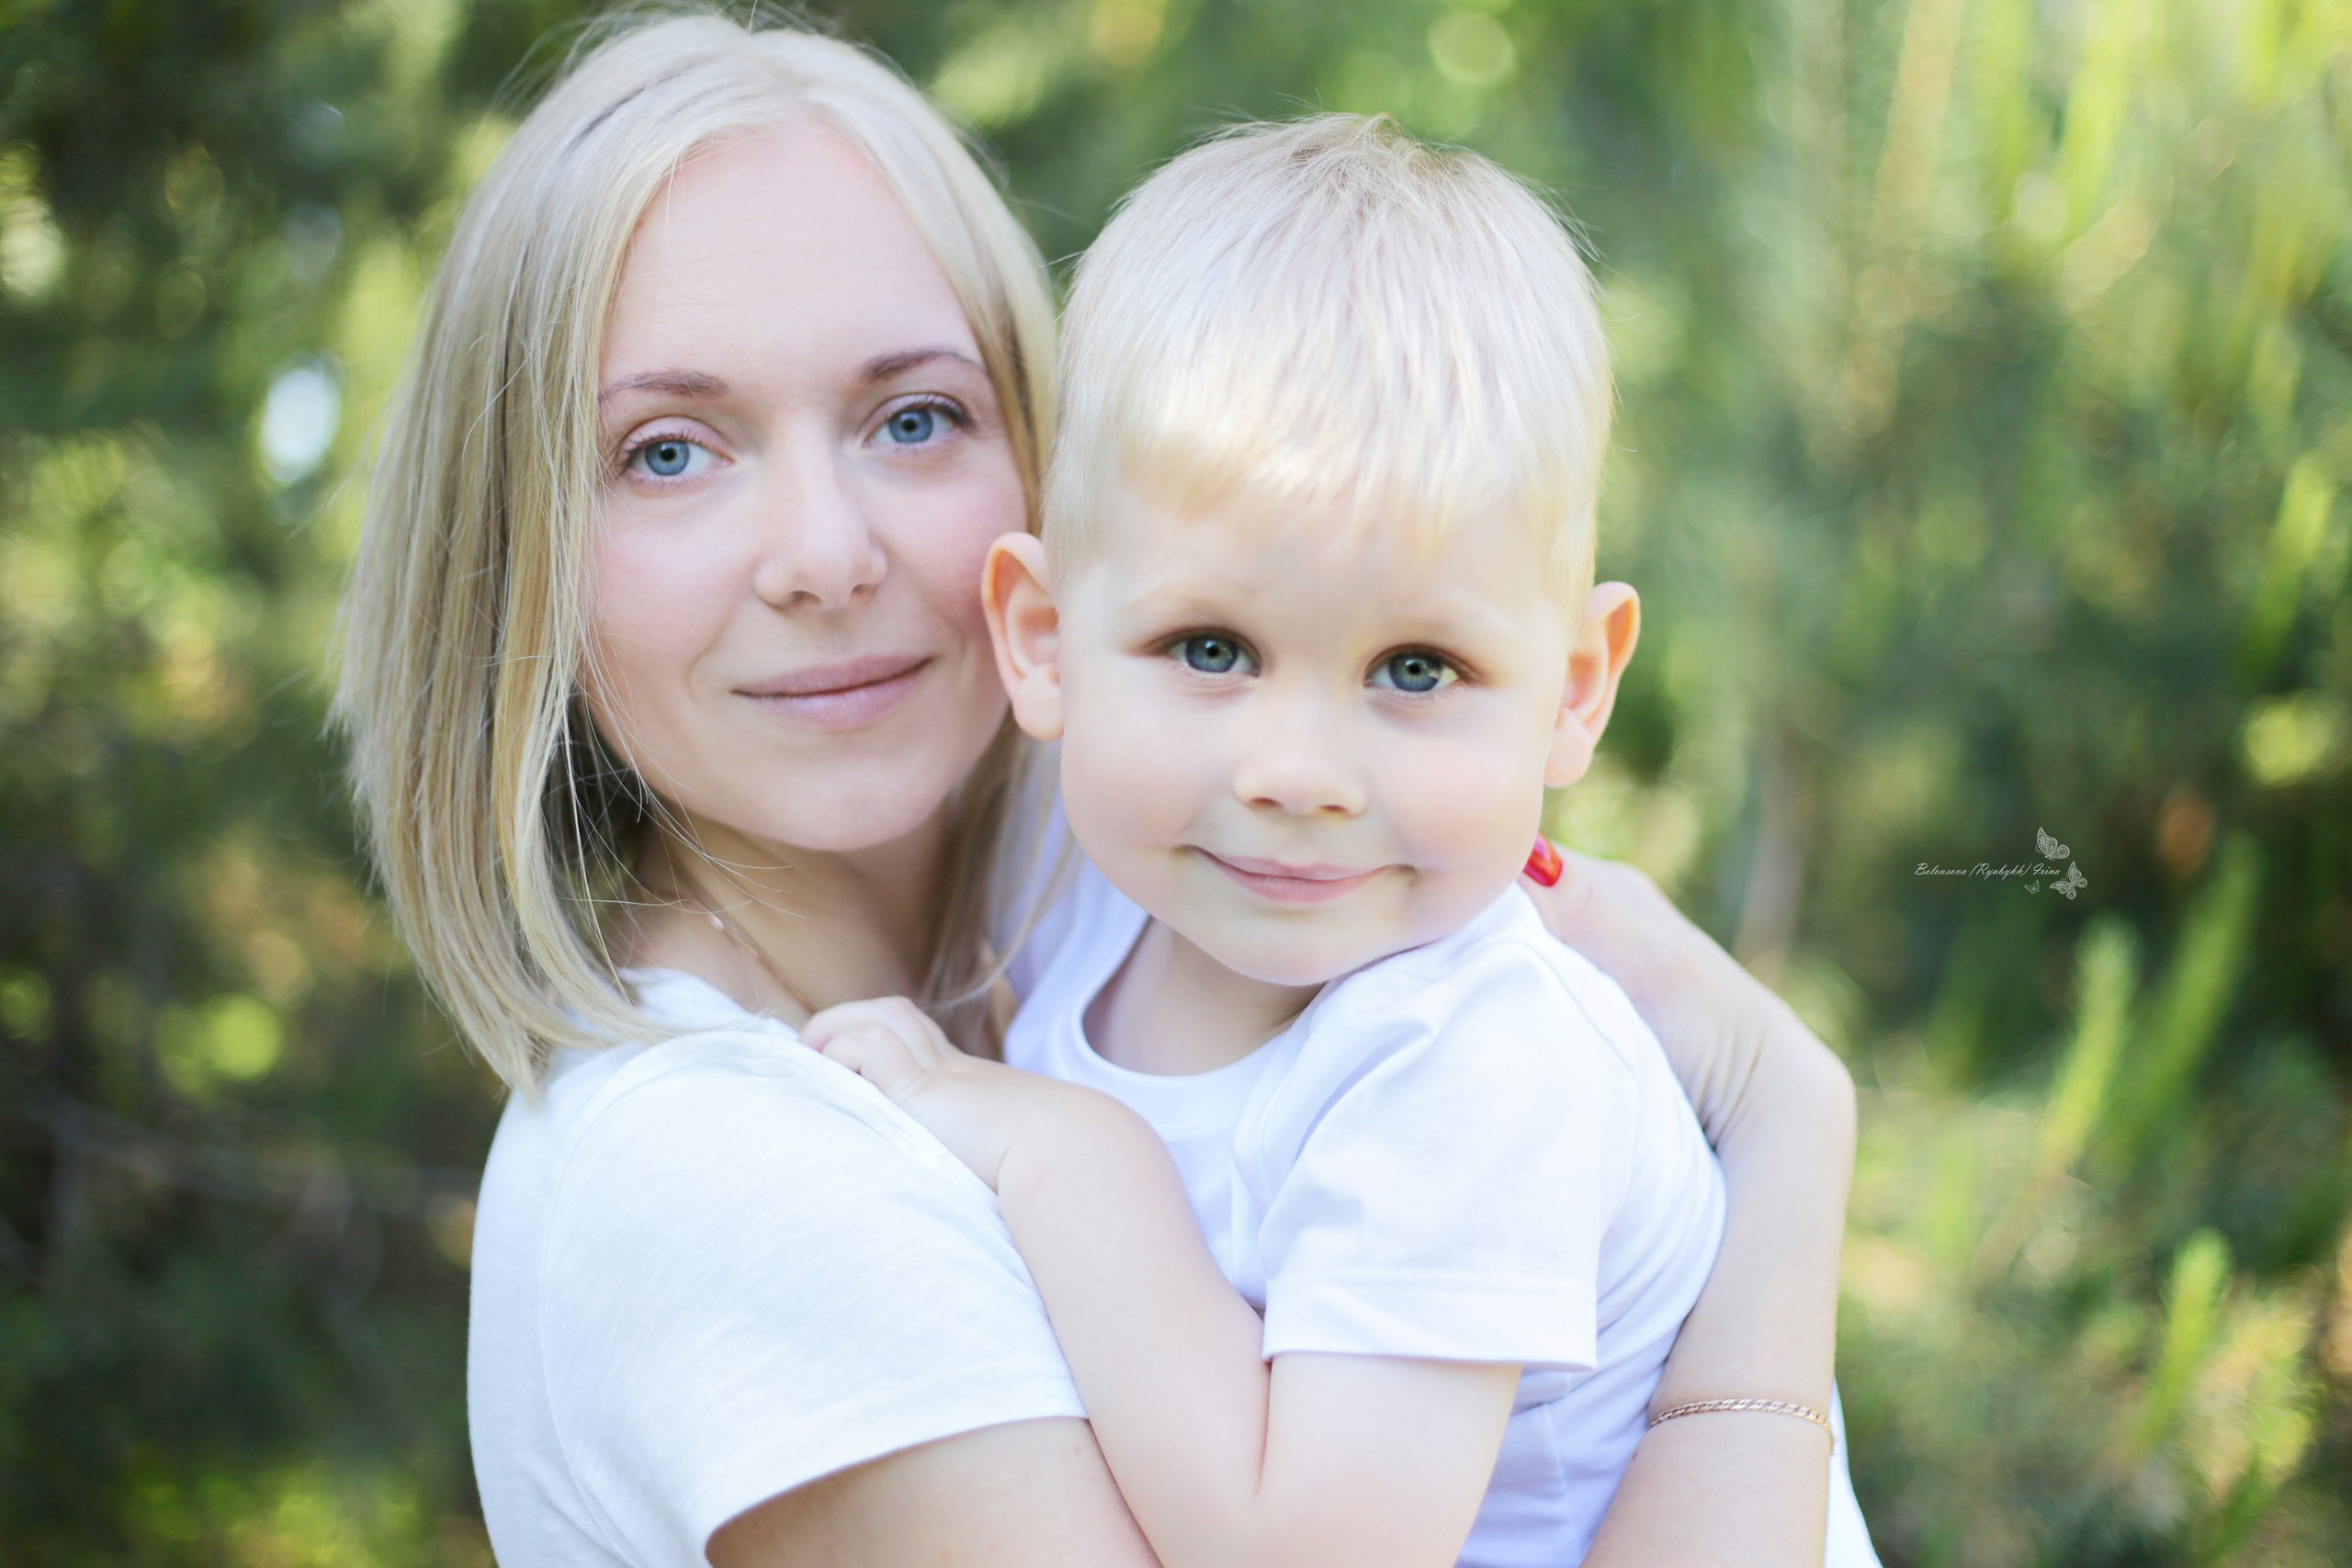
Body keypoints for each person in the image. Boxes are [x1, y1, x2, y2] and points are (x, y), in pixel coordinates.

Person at [333, 11, 1858, 1566]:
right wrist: (1787, 1146)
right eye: (668, 452)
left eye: (914, 418)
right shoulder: (710, 1170)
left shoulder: (1184, 924)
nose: (824, 555)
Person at [803, 117, 1876, 1568]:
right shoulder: (1104, 918)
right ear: (1043, 640)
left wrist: (1060, 1153)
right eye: (1212, 647)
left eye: (1416, 669)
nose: (1299, 774)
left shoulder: (1468, 1060)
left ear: (1574, 692)